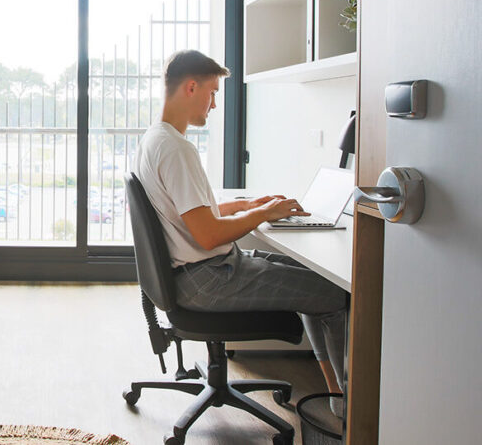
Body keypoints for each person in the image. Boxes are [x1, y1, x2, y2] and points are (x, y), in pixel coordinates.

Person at [134, 49, 348, 416]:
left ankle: (336, 395)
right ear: (191, 87)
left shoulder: (156, 139)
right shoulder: (176, 149)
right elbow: (208, 235)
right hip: (208, 279)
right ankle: (347, 402)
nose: (214, 104)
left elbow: (191, 214)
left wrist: (247, 206)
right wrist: (266, 212)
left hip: (196, 275)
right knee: (333, 293)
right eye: (213, 92)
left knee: (314, 280)